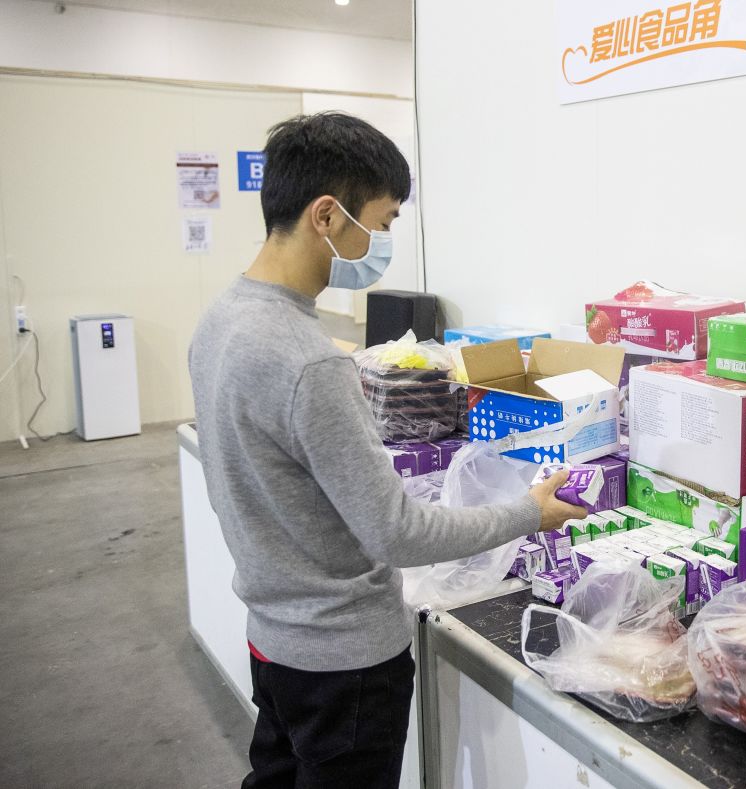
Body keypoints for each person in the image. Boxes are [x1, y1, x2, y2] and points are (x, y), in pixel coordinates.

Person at [188, 112, 586, 789]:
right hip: (344, 664)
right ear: (326, 215)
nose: (383, 239)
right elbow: (397, 530)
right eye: (384, 219)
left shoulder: (221, 319)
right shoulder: (309, 362)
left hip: (273, 637)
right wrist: (528, 511)